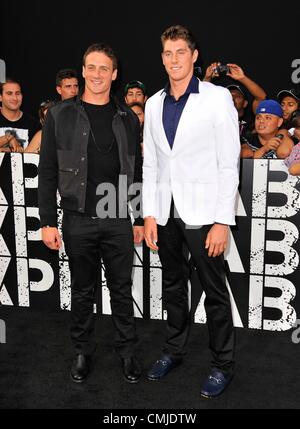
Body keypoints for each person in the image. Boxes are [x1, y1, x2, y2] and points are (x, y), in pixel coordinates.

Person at [143, 25, 240, 398]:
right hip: (166, 212)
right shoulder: (153, 103)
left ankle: (222, 365)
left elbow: (228, 164)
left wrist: (222, 220)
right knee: (172, 286)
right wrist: (150, 213)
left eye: (180, 52)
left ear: (194, 55)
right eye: (167, 53)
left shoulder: (217, 99)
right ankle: (173, 350)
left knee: (215, 292)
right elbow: (152, 164)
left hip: (204, 215)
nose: (174, 60)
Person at [38, 43, 144, 384]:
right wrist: (46, 222)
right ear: (83, 71)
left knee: (121, 290)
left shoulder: (127, 118)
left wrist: (139, 216)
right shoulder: (59, 115)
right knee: (82, 290)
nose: (97, 74)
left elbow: (137, 171)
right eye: (91, 67)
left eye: (104, 69)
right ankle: (83, 351)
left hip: (116, 213)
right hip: (77, 215)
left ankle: (127, 353)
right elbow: (48, 171)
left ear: (114, 75)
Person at [0, 79, 40, 152]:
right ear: (0, 97)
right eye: (9, 93)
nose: (15, 98)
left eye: (18, 93)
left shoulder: (34, 125)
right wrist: (8, 138)